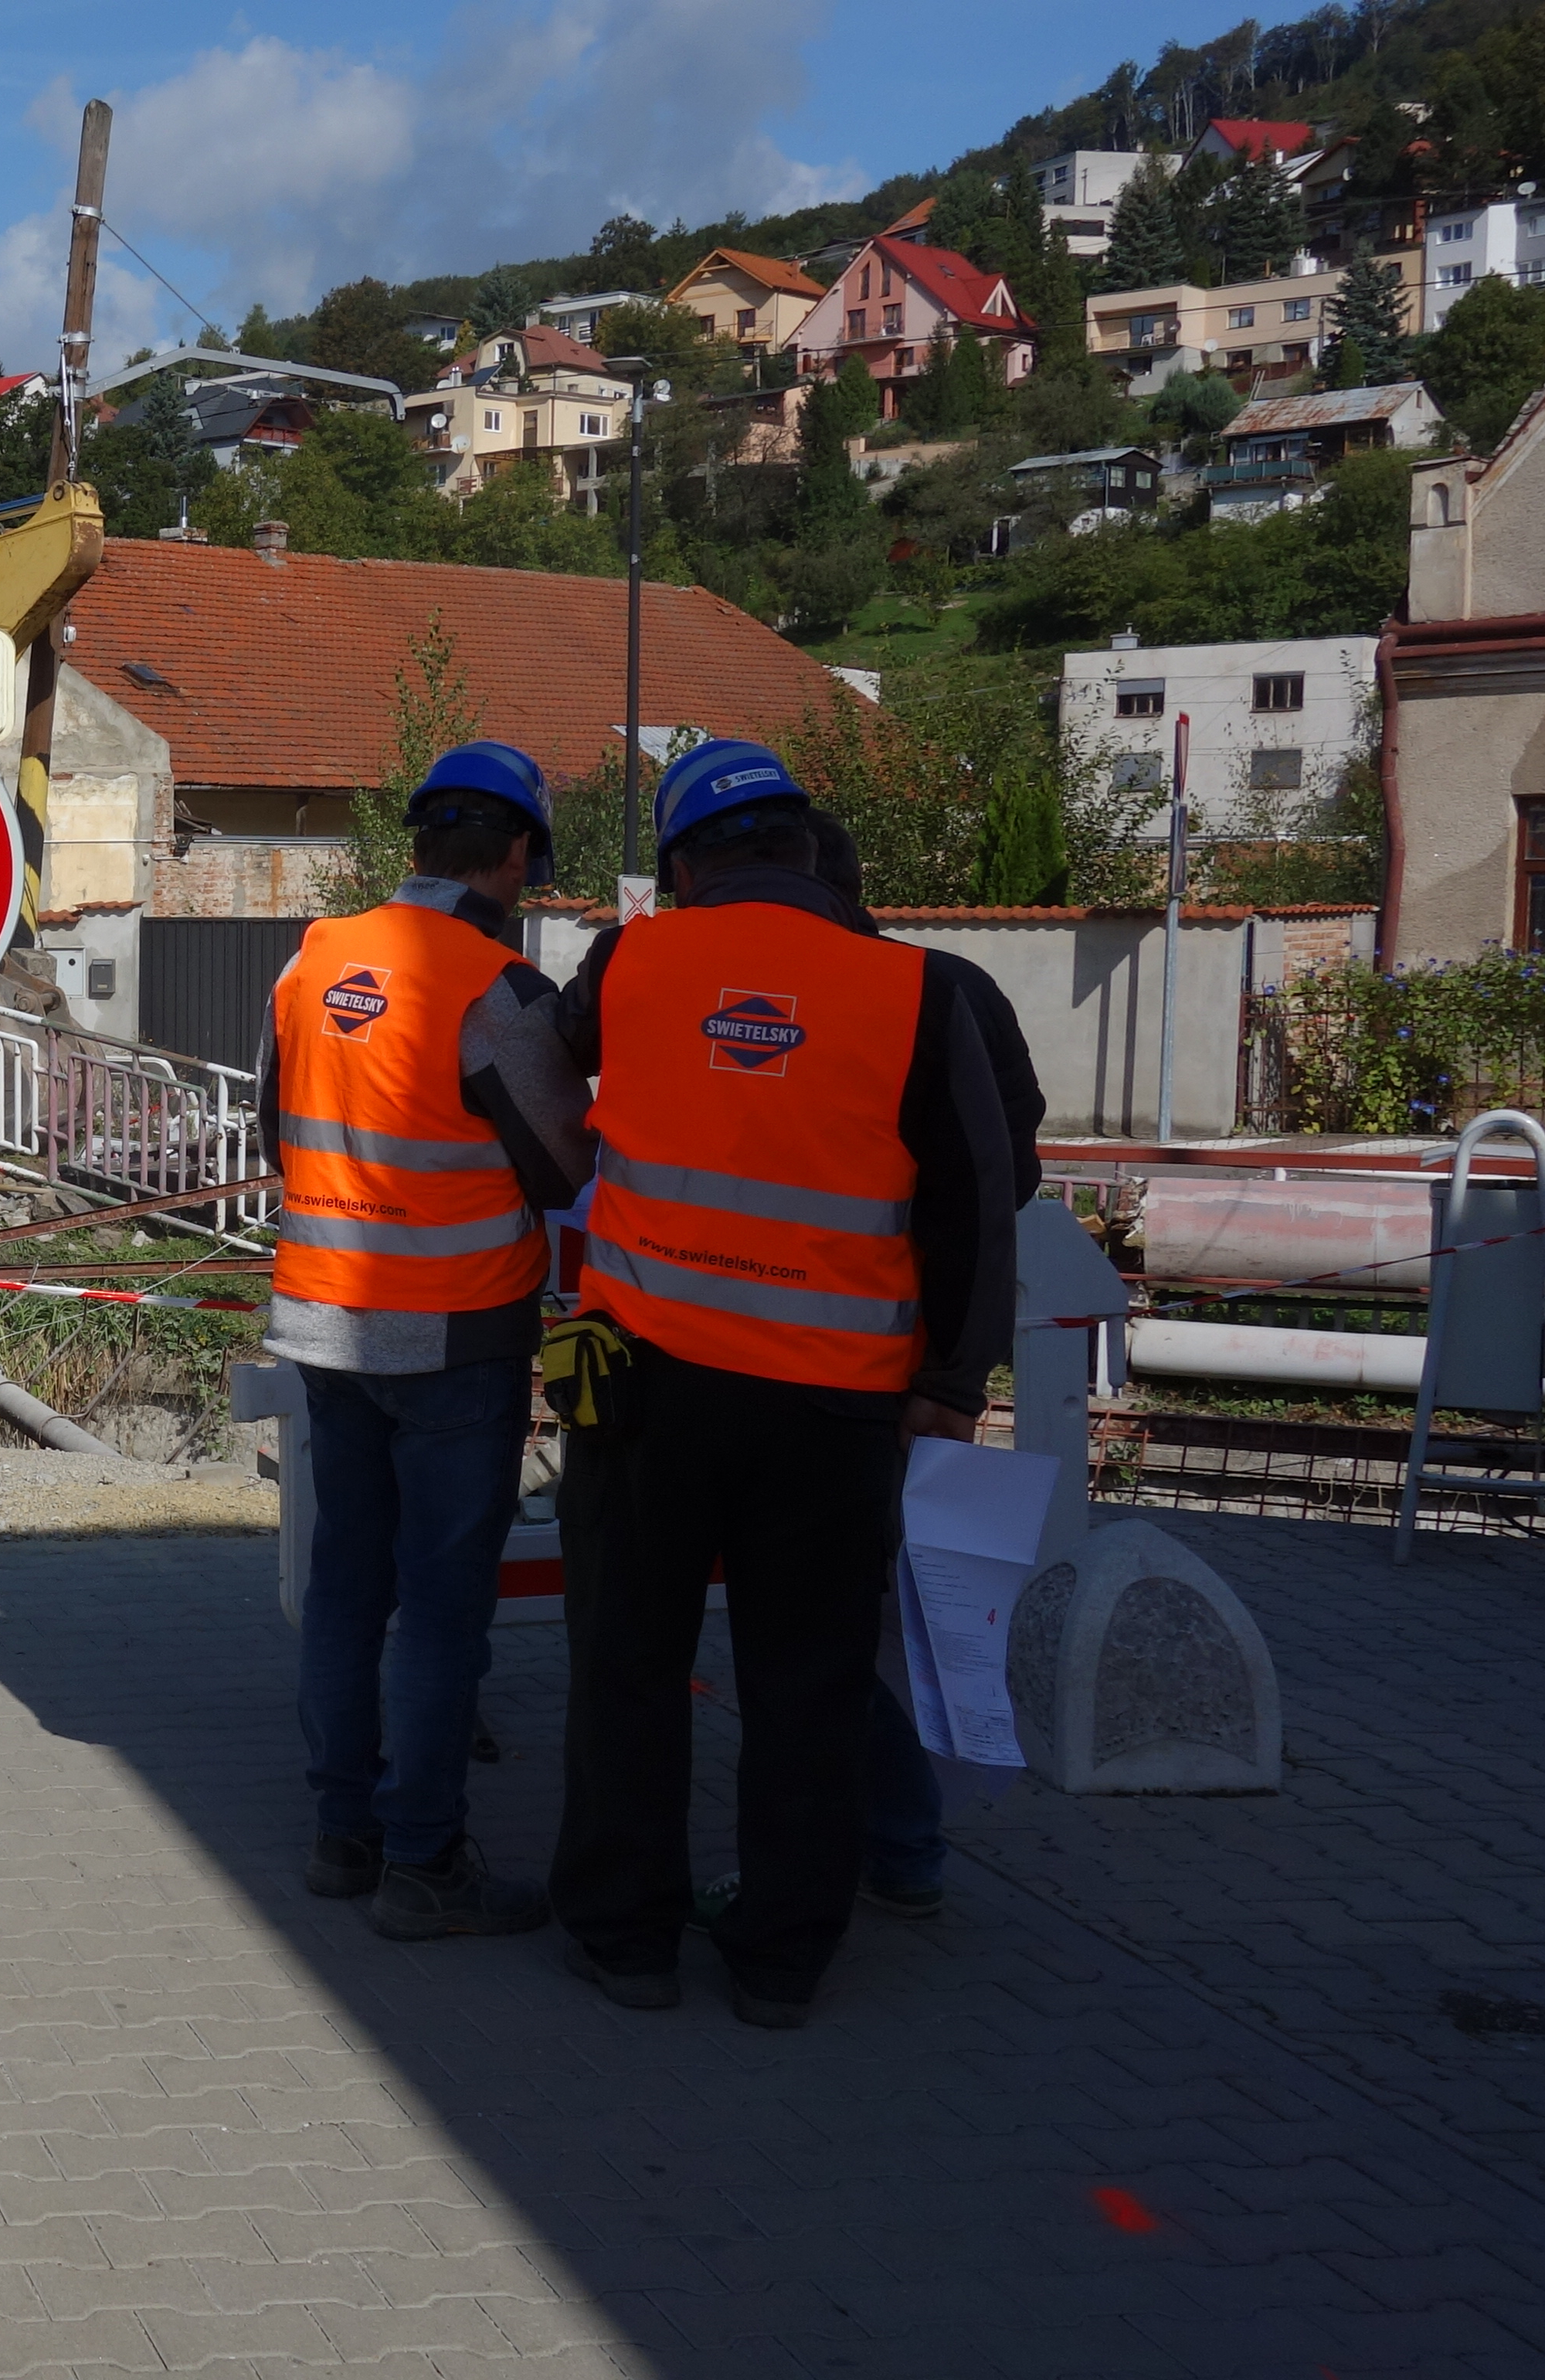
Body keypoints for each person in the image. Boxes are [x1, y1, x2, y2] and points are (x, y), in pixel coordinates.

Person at [547, 742, 1020, 2026]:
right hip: (833, 1403)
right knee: (804, 1680)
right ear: (806, 850)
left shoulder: (631, 959)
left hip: (637, 1383)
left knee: (626, 1662)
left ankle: (626, 1940)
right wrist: (953, 1382)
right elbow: (981, 1195)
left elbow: (531, 1061)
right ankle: (778, 1959)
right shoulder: (913, 990)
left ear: (685, 864)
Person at [260, 741, 595, 1941]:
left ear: (415, 847)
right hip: (456, 1335)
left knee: (348, 1585)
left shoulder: (312, 959)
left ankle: (341, 1840)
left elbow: (273, 1124)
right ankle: (424, 1864)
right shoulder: (494, 986)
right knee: (444, 1610)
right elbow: (564, 1165)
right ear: (517, 856)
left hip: (324, 1323)